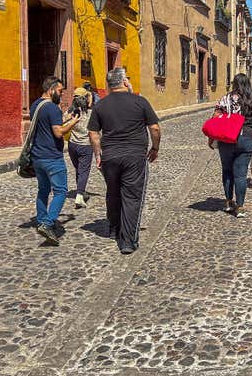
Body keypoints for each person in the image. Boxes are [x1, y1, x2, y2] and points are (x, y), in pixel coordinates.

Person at [88, 68, 160, 254]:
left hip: (109, 157)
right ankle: (127, 240)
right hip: (135, 157)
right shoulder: (140, 102)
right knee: (132, 197)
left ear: (109, 84)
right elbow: (155, 128)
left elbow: (93, 133)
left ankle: (114, 228)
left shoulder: (100, 105)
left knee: (113, 192)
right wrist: (155, 147)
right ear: (124, 82)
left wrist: (98, 155)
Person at [29, 76, 81, 245]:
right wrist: (73, 122)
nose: (61, 94)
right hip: (52, 157)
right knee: (61, 191)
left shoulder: (35, 105)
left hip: (37, 157)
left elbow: (46, 127)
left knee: (43, 190)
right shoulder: (52, 108)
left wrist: (65, 119)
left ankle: (41, 219)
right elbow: (58, 132)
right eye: (60, 91)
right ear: (51, 89)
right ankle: (48, 223)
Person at [213, 73, 252, 217]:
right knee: (241, 174)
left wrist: (211, 139)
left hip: (226, 138)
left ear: (234, 84)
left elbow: (215, 117)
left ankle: (229, 203)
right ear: (248, 83)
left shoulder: (225, 98)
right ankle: (240, 207)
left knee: (227, 171)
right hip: (246, 137)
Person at [66, 87, 94, 209]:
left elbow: (63, 122)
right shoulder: (90, 114)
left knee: (78, 169)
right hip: (86, 146)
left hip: (72, 145)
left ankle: (81, 192)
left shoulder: (70, 112)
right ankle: (79, 195)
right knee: (84, 171)